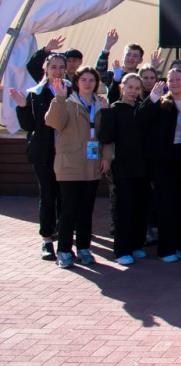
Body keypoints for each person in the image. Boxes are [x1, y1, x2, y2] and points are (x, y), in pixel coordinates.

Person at [44, 67, 110, 268]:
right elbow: (53, 122)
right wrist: (59, 98)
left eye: (92, 80)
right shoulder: (67, 102)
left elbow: (107, 135)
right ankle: (64, 251)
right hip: (69, 165)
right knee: (69, 210)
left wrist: (107, 157)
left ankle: (84, 248)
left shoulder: (101, 104)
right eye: (84, 80)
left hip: (92, 165)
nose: (88, 84)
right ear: (77, 82)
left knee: (86, 210)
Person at [11, 53, 70, 260]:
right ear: (46, 68)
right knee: (48, 195)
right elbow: (29, 125)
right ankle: (46, 239)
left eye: (61, 67)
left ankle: (65, 240)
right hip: (44, 154)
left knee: (65, 197)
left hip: (67, 153)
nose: (57, 71)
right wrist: (22, 106)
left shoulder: (72, 90)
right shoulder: (35, 93)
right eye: (53, 66)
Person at [136, 70, 181, 262]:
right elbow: (140, 119)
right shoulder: (161, 102)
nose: (175, 82)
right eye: (171, 79)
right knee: (165, 203)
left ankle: (178, 245)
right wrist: (152, 98)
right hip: (164, 159)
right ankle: (166, 248)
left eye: (178, 79)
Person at [99, 73, 150, 265]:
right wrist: (105, 113)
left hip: (142, 166)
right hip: (122, 167)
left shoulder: (141, 108)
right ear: (122, 87)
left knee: (140, 207)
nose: (133, 91)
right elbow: (106, 137)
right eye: (130, 87)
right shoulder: (114, 109)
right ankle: (122, 249)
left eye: (137, 88)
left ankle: (137, 245)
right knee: (123, 207)